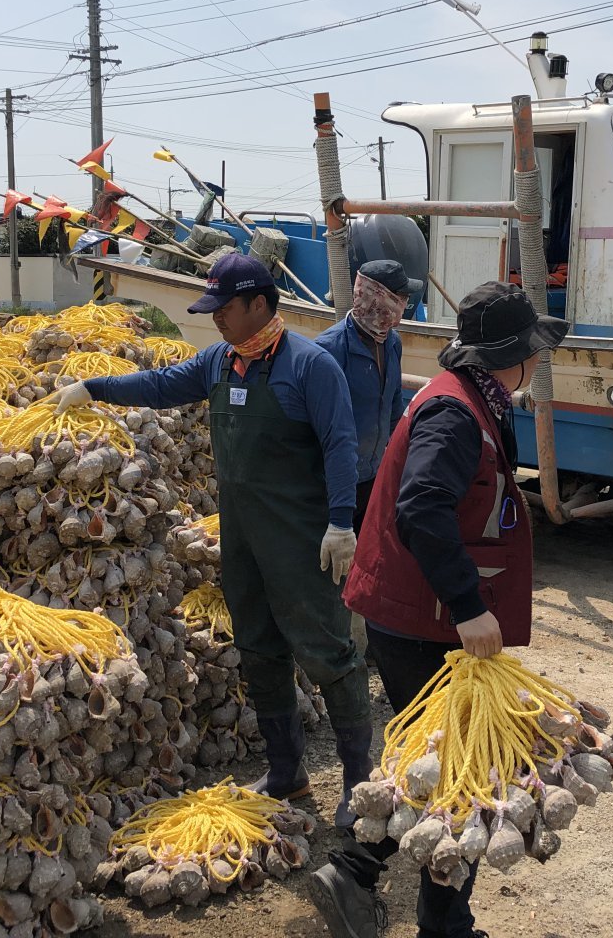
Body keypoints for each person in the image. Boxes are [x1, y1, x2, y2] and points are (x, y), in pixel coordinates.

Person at [50, 252, 372, 826]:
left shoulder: (310, 366)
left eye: (223, 308)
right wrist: (93, 388)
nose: (216, 318)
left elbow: (340, 445)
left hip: (301, 539)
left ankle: (359, 785)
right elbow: (159, 384)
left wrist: (342, 523)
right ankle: (286, 773)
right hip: (244, 538)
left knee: (328, 653)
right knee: (258, 648)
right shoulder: (221, 363)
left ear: (258, 304)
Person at [307, 282, 568, 938]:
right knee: (464, 775)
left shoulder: (473, 399)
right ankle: (435, 922)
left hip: (415, 612)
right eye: (531, 352)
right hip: (422, 616)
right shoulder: (456, 413)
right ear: (510, 357)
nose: (536, 364)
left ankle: (356, 871)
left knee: (442, 764)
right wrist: (467, 606)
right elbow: (421, 506)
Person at [315, 259, 412, 529]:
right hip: (333, 485)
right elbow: (316, 425)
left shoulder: (392, 342)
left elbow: (393, 410)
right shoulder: (330, 350)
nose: (405, 304)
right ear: (380, 299)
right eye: (401, 297)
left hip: (374, 477)